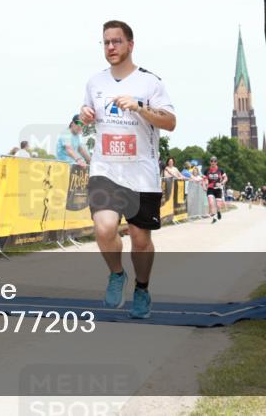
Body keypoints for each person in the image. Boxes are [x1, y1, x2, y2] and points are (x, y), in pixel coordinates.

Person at [79, 20, 176, 319]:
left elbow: (170, 122)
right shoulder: (95, 82)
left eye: (116, 41)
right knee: (105, 228)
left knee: (140, 239)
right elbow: (86, 116)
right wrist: (84, 115)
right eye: (106, 42)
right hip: (106, 169)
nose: (110, 47)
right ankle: (117, 274)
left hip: (141, 173)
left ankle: (142, 289)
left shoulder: (150, 83)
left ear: (130, 44)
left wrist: (140, 108)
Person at [204, 157, 228, 222]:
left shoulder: (220, 170)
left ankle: (218, 211)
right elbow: (205, 179)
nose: (213, 163)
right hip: (210, 188)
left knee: (218, 205)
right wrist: (205, 185)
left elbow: (225, 178)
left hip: (218, 188)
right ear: (210, 162)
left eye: (214, 161)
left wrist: (222, 183)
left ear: (216, 162)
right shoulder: (207, 170)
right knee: (211, 202)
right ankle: (214, 216)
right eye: (211, 161)